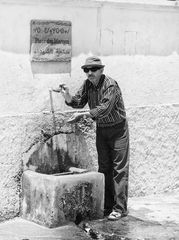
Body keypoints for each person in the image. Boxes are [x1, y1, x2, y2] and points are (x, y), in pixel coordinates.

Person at [53, 56, 130, 221]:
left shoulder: (110, 85)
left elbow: (104, 109)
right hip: (102, 129)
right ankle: (108, 206)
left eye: (93, 69)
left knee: (119, 169)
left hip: (118, 129)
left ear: (101, 70)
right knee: (104, 168)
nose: (89, 73)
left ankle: (120, 208)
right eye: (86, 70)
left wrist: (83, 115)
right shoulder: (88, 84)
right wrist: (67, 95)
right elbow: (78, 102)